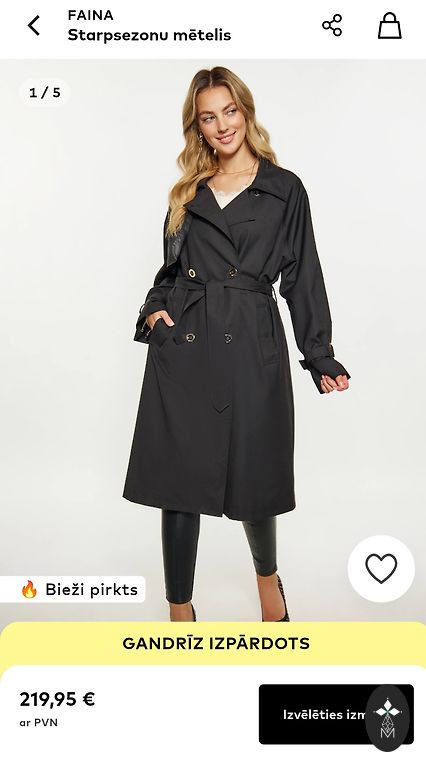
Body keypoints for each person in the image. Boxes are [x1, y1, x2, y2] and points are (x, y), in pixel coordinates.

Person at [123, 66, 351, 622]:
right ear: (197, 127)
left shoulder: (284, 188)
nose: (222, 125)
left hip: (252, 340)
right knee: (179, 482)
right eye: (208, 117)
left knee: (256, 473)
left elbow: (302, 274)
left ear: (245, 112)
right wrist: (154, 312)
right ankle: (180, 612)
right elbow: (169, 272)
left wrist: (318, 352)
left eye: (229, 111)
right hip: (187, 343)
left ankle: (267, 579)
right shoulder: (188, 193)